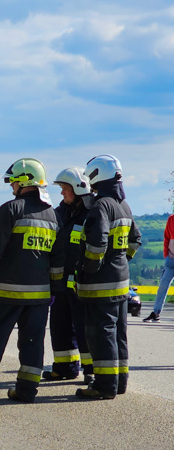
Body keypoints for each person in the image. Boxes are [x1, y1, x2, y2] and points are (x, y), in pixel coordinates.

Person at [0, 158, 63, 404]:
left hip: (7, 293)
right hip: (39, 296)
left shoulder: (10, 209)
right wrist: (54, 290)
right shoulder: (52, 216)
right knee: (32, 343)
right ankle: (26, 392)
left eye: (13, 182)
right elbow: (58, 261)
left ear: (23, 181)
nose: (11, 187)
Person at [75, 155, 141, 400]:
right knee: (118, 333)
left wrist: (90, 269)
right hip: (121, 283)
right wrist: (121, 261)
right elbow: (135, 240)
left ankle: (104, 386)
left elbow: (97, 243)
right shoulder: (123, 205)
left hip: (101, 285)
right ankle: (119, 382)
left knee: (100, 333)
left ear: (96, 176)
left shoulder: (102, 205)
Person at [42, 167, 94, 383]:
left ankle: (91, 371)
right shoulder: (60, 212)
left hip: (82, 283)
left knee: (84, 329)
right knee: (59, 326)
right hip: (61, 282)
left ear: (79, 189)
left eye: (65, 189)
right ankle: (65, 367)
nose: (62, 193)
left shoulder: (94, 213)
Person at [143, 212, 174, 323]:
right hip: (170, 260)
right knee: (163, 285)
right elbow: (166, 237)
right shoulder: (171, 219)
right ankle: (156, 313)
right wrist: (166, 255)